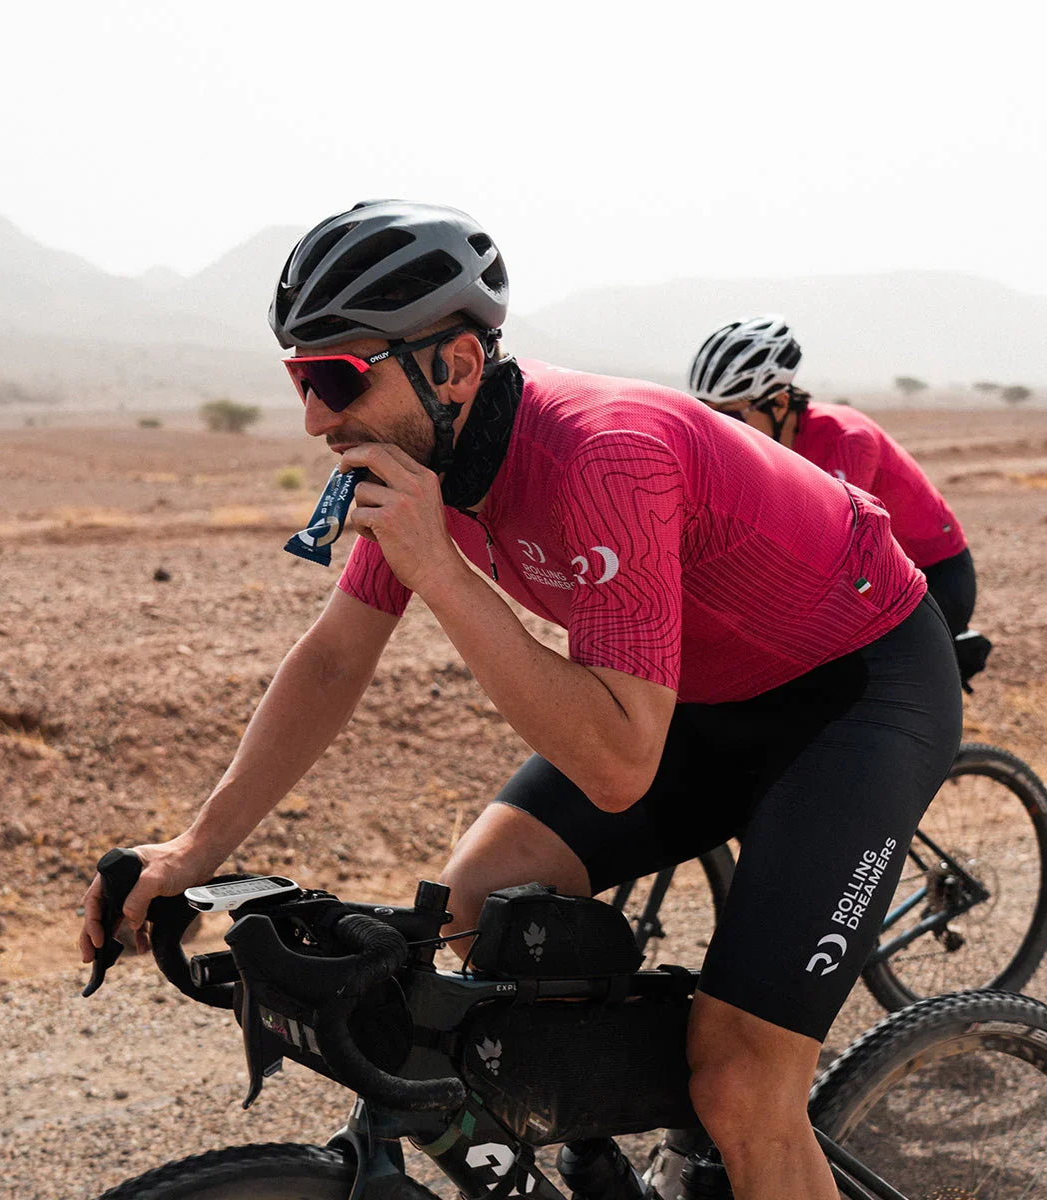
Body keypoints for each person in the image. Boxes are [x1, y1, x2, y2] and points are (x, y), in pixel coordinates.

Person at [79, 202, 962, 1200]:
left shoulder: (602, 457)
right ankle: (598, 1153)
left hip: (853, 696)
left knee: (743, 1081)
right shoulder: (428, 456)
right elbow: (333, 659)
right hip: (697, 704)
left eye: (334, 378)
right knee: (462, 914)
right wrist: (193, 851)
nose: (315, 418)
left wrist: (444, 573)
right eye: (298, 377)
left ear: (453, 367)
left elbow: (620, 768)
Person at [688, 314, 977, 636]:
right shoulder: (766, 441)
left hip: (932, 573)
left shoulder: (846, 438)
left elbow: (835, 545)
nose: (719, 427)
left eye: (730, 414)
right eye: (707, 413)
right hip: (875, 576)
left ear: (780, 403)